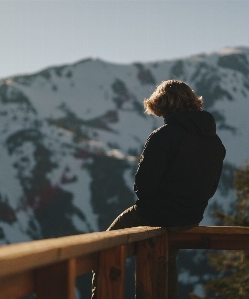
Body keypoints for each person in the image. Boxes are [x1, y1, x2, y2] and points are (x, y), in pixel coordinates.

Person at [91, 79, 226, 299]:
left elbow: (143, 186)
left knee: (106, 247)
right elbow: (211, 186)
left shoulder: (163, 136)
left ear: (165, 105)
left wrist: (155, 205)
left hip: (157, 214)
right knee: (166, 260)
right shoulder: (214, 141)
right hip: (190, 218)